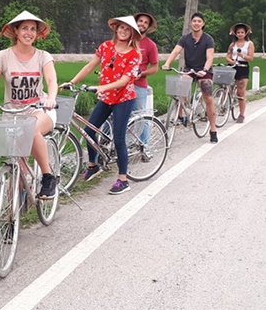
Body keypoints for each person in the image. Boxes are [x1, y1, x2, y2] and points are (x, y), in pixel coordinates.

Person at [0, 10, 58, 199]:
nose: (29, 33)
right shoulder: (2, 57)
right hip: (12, 115)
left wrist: (50, 98)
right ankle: (14, 209)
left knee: (32, 129)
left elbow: (52, 81)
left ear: (37, 33)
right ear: (16, 31)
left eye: (33, 29)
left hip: (40, 110)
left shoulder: (43, 56)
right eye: (25, 28)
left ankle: (47, 177)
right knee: (18, 163)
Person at [60, 16, 141, 195]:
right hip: (106, 97)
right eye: (121, 28)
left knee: (119, 138)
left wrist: (101, 87)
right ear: (116, 29)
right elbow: (90, 66)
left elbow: (124, 81)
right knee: (89, 130)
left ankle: (123, 180)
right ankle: (93, 165)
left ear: (132, 34)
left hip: (123, 98)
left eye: (127, 29)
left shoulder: (134, 54)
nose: (123, 31)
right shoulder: (106, 46)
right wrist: (72, 81)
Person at [161, 12, 218, 143]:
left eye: (199, 21)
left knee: (208, 96)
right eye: (194, 21)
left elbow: (210, 57)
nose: (196, 23)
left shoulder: (208, 39)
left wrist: (204, 69)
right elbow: (176, 51)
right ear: (190, 23)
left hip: (204, 70)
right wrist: (167, 63)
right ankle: (182, 114)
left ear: (203, 24)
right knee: (181, 85)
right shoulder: (185, 38)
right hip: (190, 69)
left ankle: (213, 129)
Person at [132, 12, 160, 147]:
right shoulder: (126, 39)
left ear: (148, 27)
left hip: (138, 85)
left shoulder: (150, 45)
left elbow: (155, 68)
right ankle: (107, 144)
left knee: (141, 116)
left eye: (145, 23)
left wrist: (141, 73)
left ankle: (145, 147)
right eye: (140, 21)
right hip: (120, 85)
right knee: (113, 115)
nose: (142, 24)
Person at [226, 22, 255, 123]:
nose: (240, 34)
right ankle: (226, 104)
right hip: (233, 66)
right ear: (235, 33)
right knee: (226, 86)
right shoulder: (232, 45)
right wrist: (232, 61)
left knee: (241, 92)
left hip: (243, 67)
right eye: (238, 32)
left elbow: (251, 58)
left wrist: (242, 55)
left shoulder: (249, 44)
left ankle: (241, 114)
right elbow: (228, 57)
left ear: (246, 33)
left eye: (242, 32)